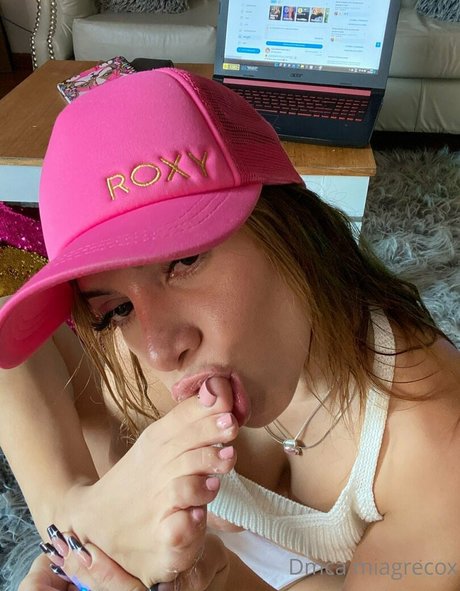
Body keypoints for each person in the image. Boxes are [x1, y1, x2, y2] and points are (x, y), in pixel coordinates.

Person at [0, 67, 459, 591]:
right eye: (116, 309)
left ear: (293, 228)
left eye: (184, 260)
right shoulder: (146, 361)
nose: (160, 349)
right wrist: (71, 515)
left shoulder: (433, 444)